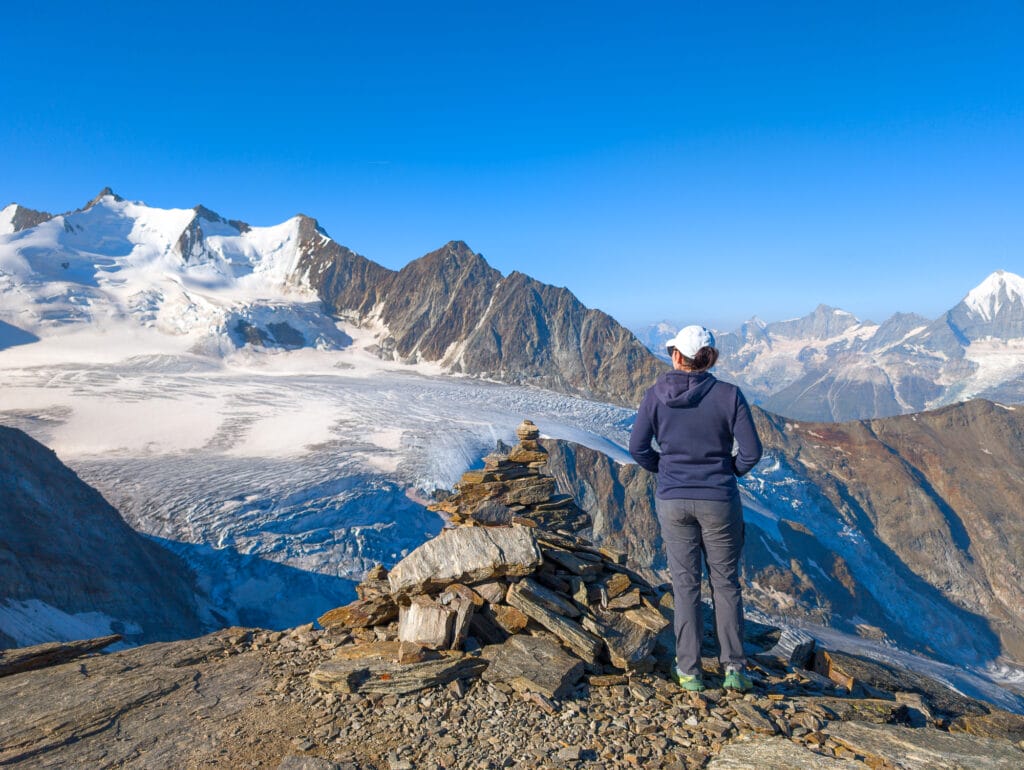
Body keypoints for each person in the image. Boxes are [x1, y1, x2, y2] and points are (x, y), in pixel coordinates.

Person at [629, 325, 763, 692]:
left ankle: (689, 671)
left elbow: (638, 448)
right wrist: (725, 473)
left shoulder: (654, 395)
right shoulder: (729, 395)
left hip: (673, 499)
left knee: (685, 584)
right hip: (719, 499)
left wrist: (667, 470)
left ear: (676, 356)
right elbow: (751, 452)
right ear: (709, 357)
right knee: (725, 583)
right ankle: (734, 669)